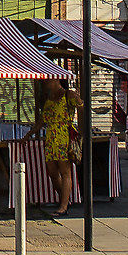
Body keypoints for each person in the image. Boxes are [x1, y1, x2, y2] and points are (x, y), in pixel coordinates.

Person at [29, 79, 78, 219]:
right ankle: (64, 200)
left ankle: (63, 206)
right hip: (51, 139)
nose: (45, 83)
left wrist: (81, 132)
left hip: (63, 138)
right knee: (52, 172)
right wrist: (29, 135)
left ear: (56, 80)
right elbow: (42, 120)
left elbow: (81, 107)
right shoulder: (49, 99)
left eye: (48, 81)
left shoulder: (68, 95)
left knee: (65, 171)